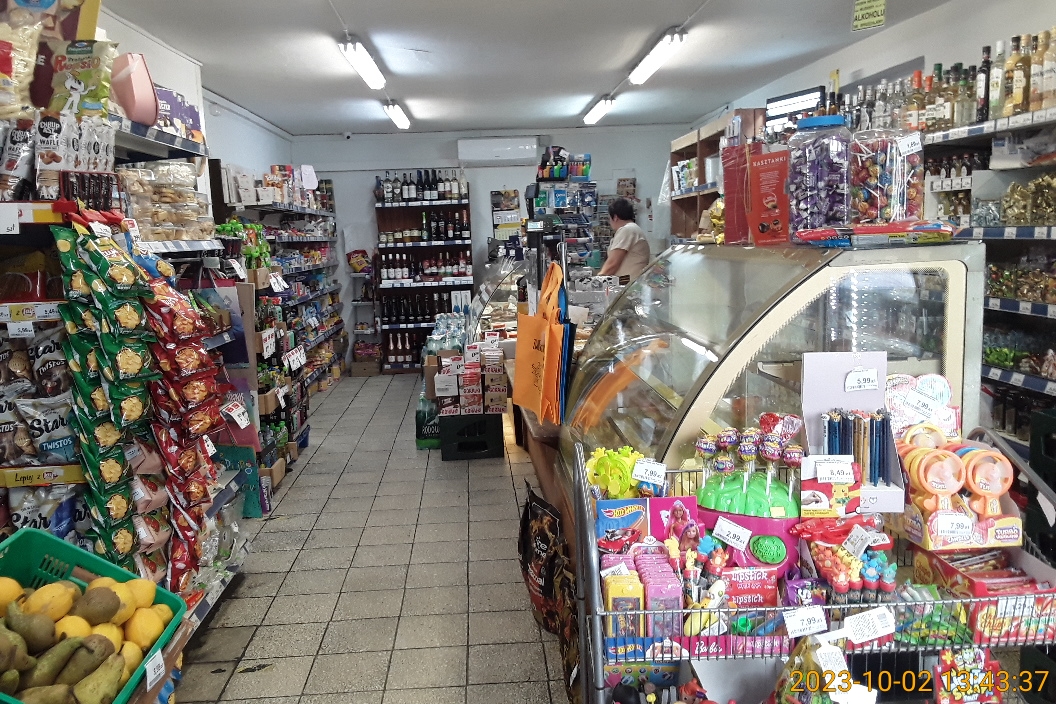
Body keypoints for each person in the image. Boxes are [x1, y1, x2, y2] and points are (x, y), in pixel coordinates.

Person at [598, 197, 651, 282]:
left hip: (629, 285)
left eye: (609, 218)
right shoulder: (632, 229)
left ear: (615, 217)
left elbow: (612, 264)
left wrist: (596, 281)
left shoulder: (627, 230)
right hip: (629, 283)